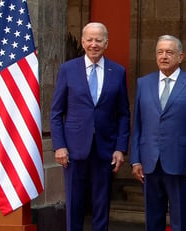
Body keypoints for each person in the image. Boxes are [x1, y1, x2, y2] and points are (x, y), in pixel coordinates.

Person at [50, 22, 130, 231]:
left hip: (105, 149)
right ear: (83, 41)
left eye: (99, 40)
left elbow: (123, 114)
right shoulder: (68, 69)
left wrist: (120, 148)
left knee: (101, 204)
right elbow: (57, 112)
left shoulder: (118, 71)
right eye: (90, 39)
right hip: (73, 149)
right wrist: (59, 145)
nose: (94, 44)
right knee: (74, 202)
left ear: (106, 43)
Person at [130, 35, 186, 231]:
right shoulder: (143, 83)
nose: (164, 56)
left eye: (169, 52)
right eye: (160, 52)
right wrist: (135, 159)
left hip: (181, 162)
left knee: (180, 220)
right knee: (152, 219)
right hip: (149, 162)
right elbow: (138, 124)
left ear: (181, 56)